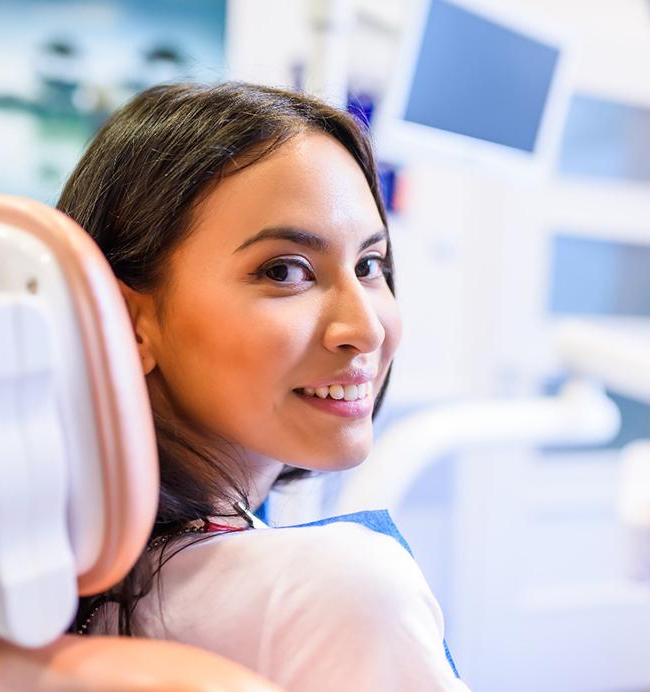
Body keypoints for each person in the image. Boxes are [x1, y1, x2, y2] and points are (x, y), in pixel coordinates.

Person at [59, 81, 468, 691]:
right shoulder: (338, 592)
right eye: (285, 271)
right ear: (127, 320)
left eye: (369, 266)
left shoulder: (69, 589)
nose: (363, 328)